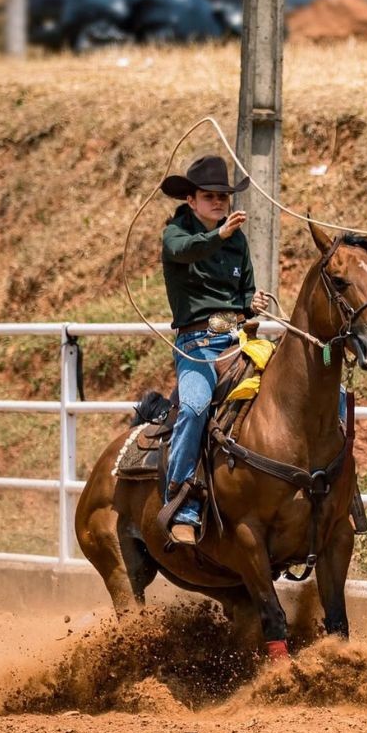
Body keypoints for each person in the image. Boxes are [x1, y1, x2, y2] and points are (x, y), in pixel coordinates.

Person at [159, 155, 273, 547]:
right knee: (193, 407)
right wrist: (220, 236)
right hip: (196, 346)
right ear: (190, 200)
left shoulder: (236, 239)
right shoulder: (175, 234)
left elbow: (243, 296)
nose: (219, 202)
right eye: (209, 196)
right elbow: (188, 250)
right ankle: (181, 503)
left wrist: (251, 304)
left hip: (237, 339)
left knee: (297, 384)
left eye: (222, 196)